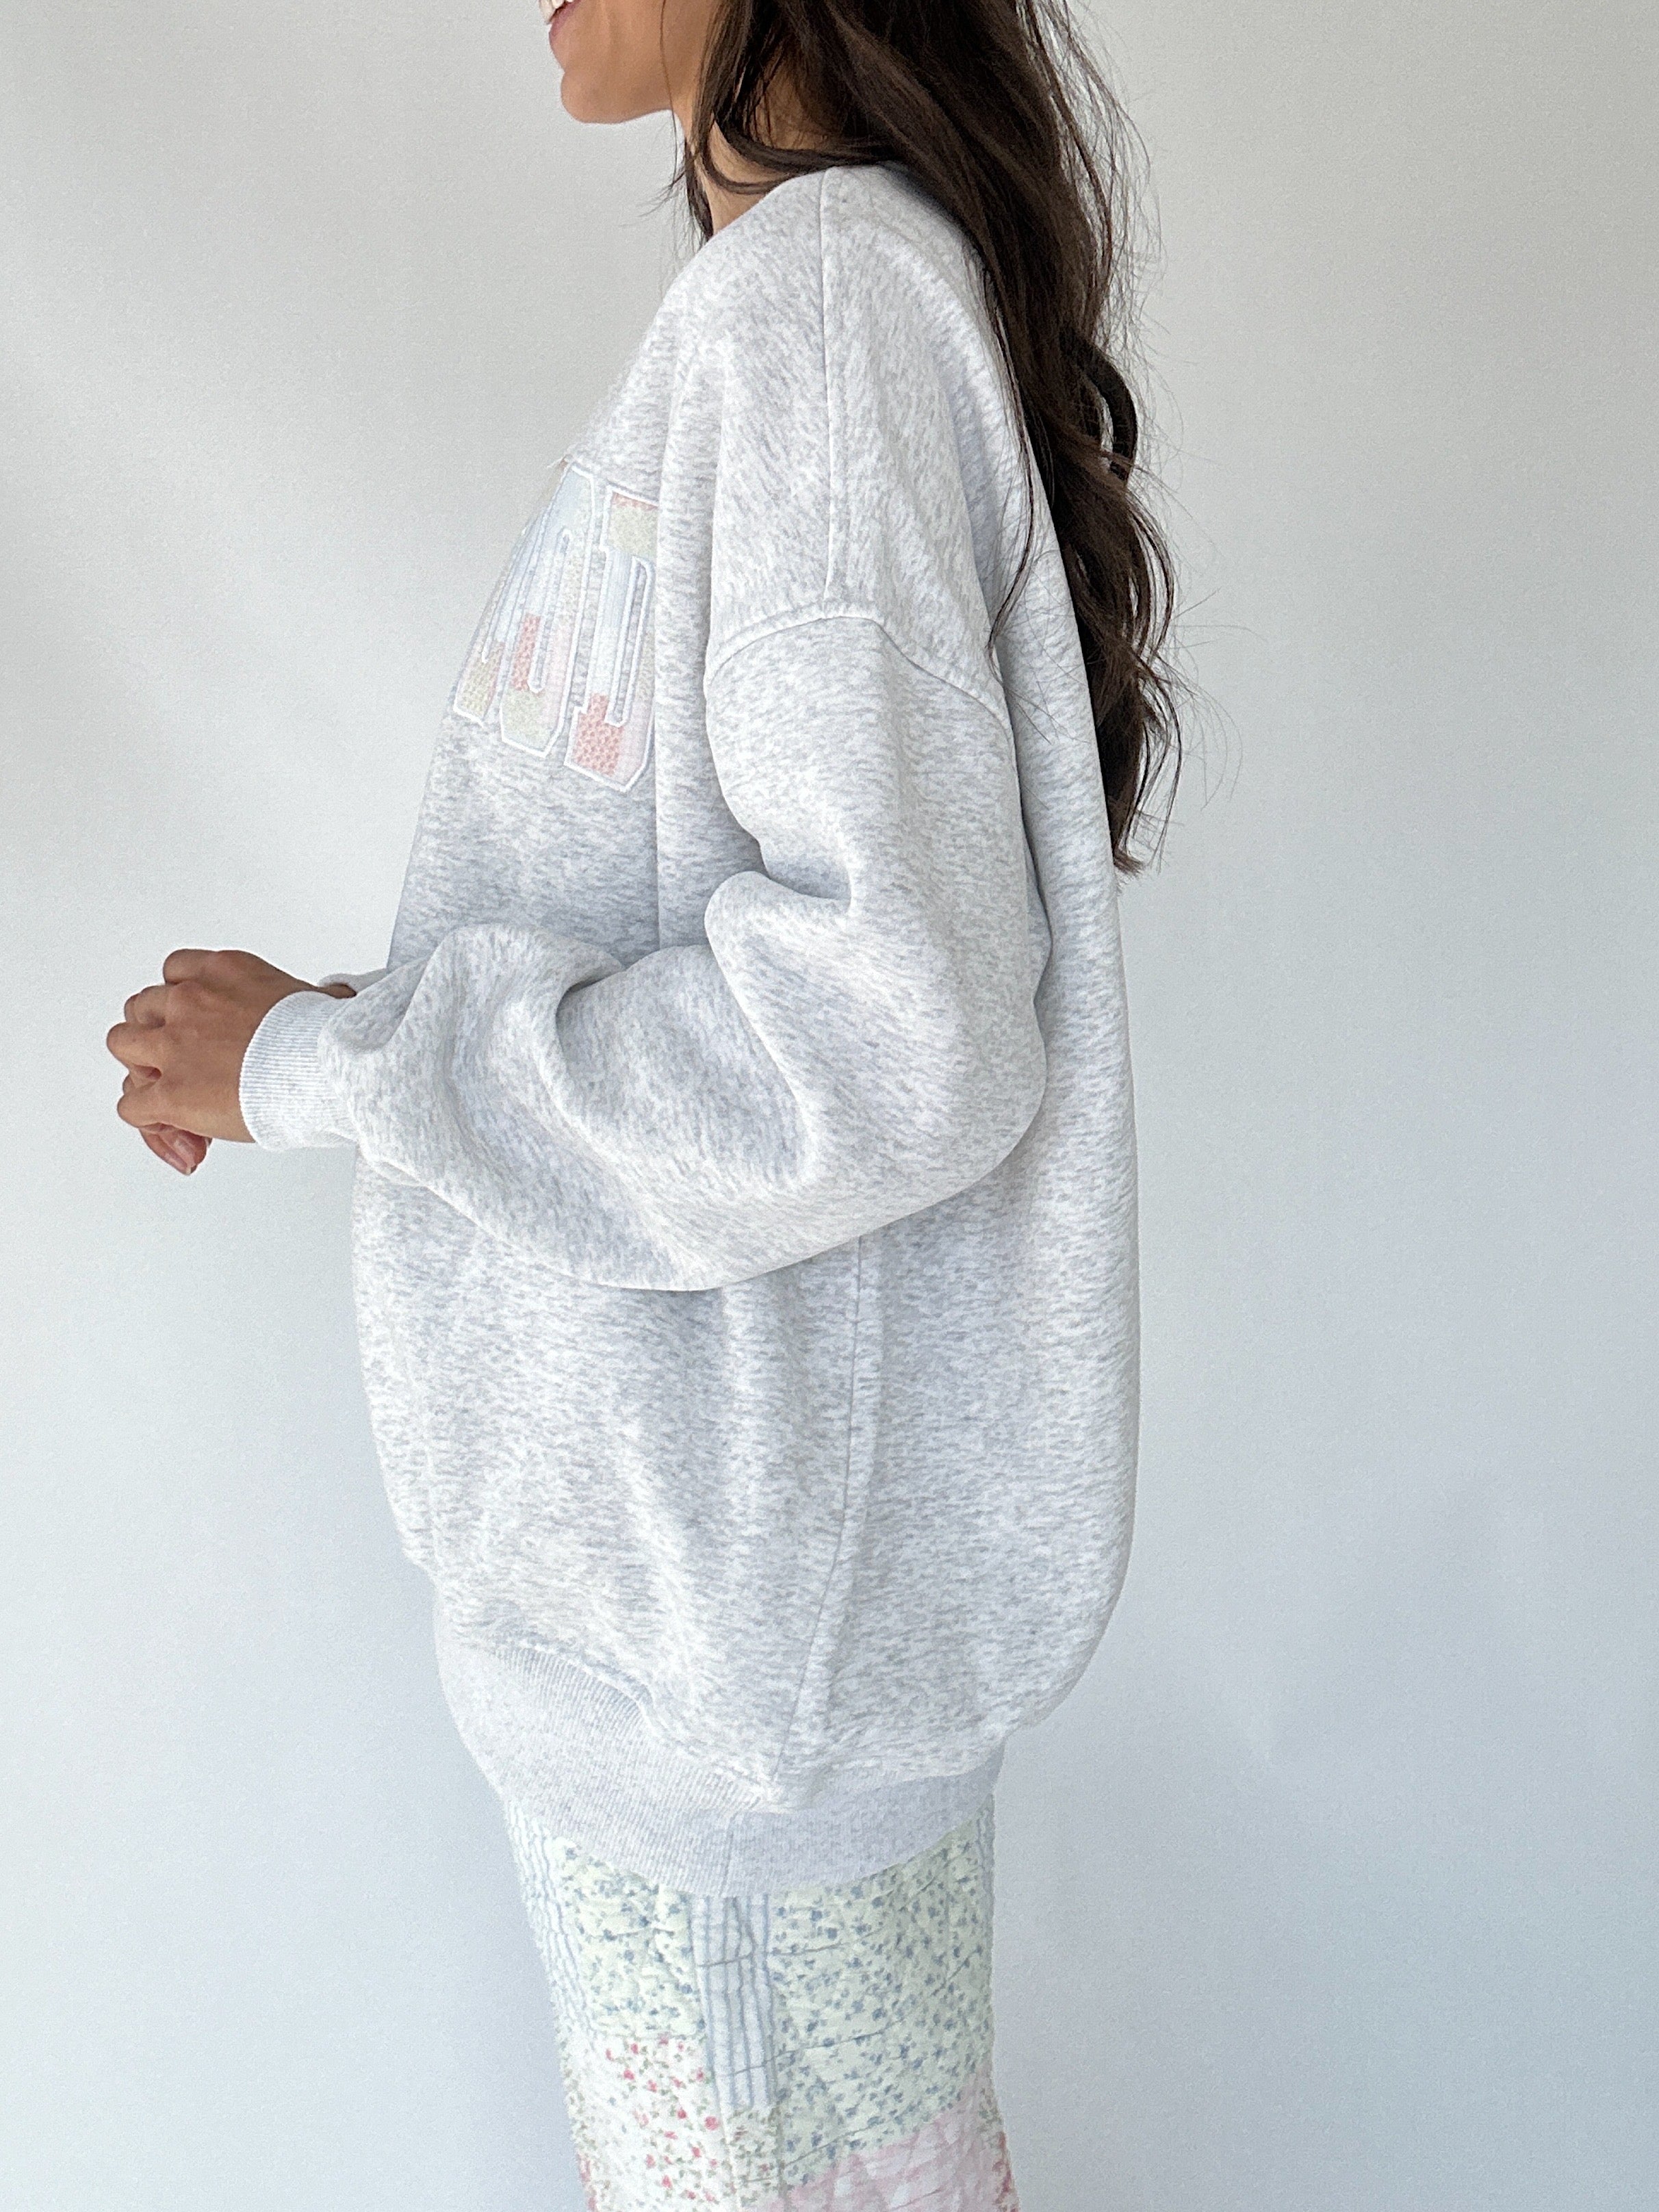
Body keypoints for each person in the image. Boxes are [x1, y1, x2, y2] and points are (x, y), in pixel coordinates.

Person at [106, 0, 1177, 2200]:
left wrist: (344, 1062)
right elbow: (793, 973)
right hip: (721, 1696)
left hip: (730, 1713)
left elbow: (891, 1034)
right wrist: (363, 1032)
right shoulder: (815, 307)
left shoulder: (820, 316)